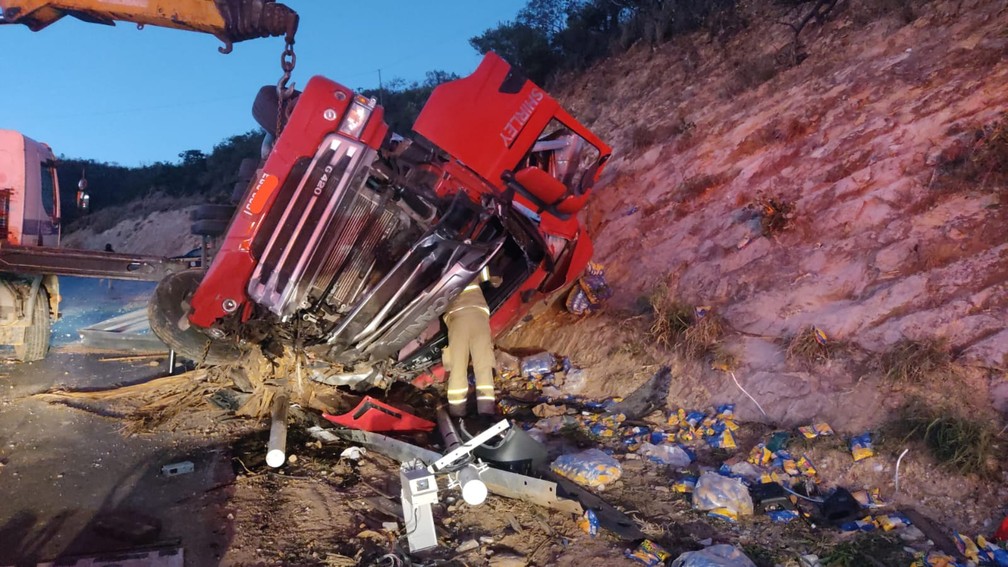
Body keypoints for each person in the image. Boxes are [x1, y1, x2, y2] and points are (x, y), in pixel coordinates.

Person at [442, 268, 498, 418]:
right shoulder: (475, 258)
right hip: (478, 315)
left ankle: (457, 414)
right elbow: (492, 280)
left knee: (457, 369)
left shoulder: (439, 265)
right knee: (484, 366)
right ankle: (486, 414)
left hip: (457, 317)